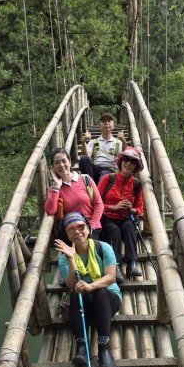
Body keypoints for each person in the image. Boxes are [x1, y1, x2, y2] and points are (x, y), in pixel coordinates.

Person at [54, 212, 122, 367]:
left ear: (89, 228)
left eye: (80, 227)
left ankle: (104, 347)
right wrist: (71, 260)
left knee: (100, 292)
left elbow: (111, 277)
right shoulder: (64, 258)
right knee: (76, 293)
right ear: (67, 234)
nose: (77, 231)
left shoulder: (103, 247)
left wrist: (92, 286)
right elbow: (71, 284)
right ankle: (81, 346)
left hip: (108, 300)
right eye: (71, 229)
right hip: (85, 305)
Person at [98, 147, 144, 281]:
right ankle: (116, 266)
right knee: (114, 230)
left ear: (136, 166)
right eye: (126, 159)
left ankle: (132, 264)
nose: (128, 163)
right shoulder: (107, 179)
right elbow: (96, 203)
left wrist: (132, 209)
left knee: (129, 227)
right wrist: (113, 207)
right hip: (108, 218)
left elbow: (139, 208)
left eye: (133, 161)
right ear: (121, 161)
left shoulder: (136, 184)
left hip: (125, 218)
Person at [44, 148, 103, 239]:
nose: (61, 165)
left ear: (70, 162)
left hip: (91, 226)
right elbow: (50, 210)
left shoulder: (85, 179)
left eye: (64, 161)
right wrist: (57, 187)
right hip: (72, 230)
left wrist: (91, 226)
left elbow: (99, 204)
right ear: (53, 167)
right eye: (57, 163)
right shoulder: (54, 189)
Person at [80, 113, 127, 184]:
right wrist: (83, 142)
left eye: (109, 121)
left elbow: (124, 156)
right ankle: (91, 185)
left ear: (113, 126)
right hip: (95, 169)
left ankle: (94, 189)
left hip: (110, 170)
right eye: (104, 121)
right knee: (84, 159)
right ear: (99, 126)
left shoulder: (118, 143)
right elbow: (86, 156)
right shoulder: (93, 142)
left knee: (104, 175)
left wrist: (124, 141)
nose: (106, 123)